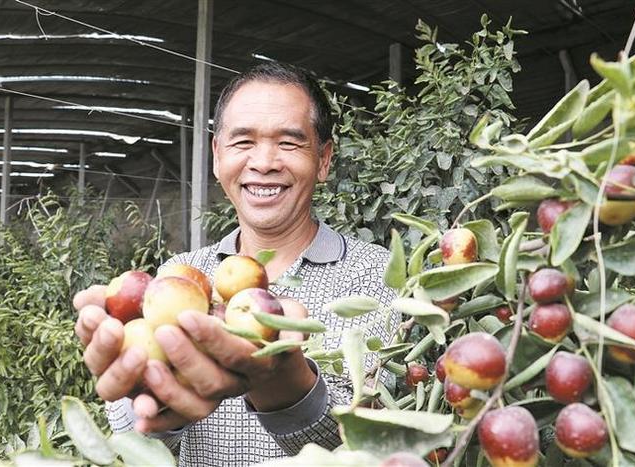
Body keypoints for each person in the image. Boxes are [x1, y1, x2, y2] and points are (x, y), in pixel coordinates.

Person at [73, 62, 397, 466]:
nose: (264, 162)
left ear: (324, 159)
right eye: (243, 141)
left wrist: (285, 385)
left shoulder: (375, 276)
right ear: (216, 155)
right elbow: (137, 446)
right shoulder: (181, 276)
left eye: (289, 143)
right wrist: (148, 402)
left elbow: (370, 438)